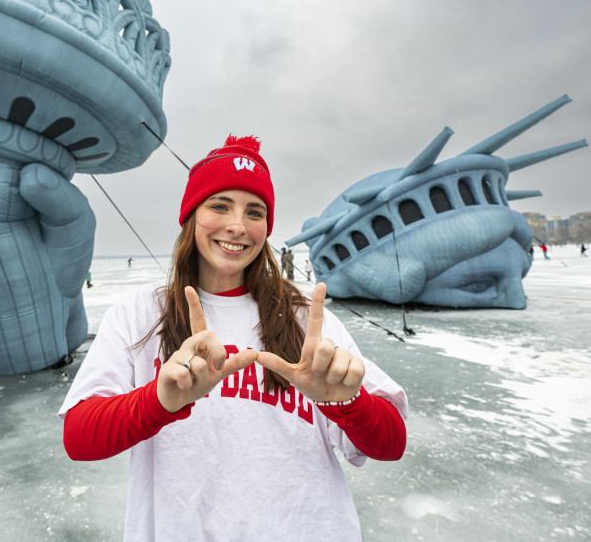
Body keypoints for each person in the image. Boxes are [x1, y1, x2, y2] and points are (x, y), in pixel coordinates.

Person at [59, 135, 407, 541]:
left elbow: (391, 443)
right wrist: (159, 401)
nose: (238, 226)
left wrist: (346, 403)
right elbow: (79, 438)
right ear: (191, 216)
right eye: (220, 205)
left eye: (254, 212)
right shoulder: (141, 312)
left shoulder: (302, 318)